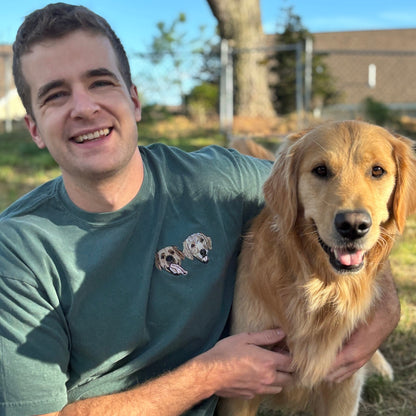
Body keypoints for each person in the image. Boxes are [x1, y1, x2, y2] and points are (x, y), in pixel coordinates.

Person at [0, 3, 400, 416]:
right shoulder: (18, 252)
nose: (84, 108)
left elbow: (344, 206)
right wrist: (209, 375)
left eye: (100, 83)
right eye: (55, 95)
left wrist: (384, 307)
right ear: (33, 129)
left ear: (134, 100)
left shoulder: (215, 180)